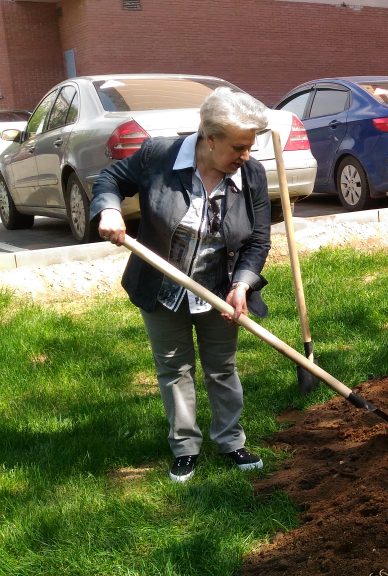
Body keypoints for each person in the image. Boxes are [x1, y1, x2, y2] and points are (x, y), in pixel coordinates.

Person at [89, 87, 272, 483]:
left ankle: (230, 440)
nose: (246, 156)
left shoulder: (251, 175)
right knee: (174, 368)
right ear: (209, 139)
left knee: (222, 367)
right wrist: (108, 209)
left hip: (220, 288)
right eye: (238, 147)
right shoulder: (159, 156)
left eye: (249, 147)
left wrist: (242, 285)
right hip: (161, 286)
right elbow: (111, 178)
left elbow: (258, 240)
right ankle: (185, 448)